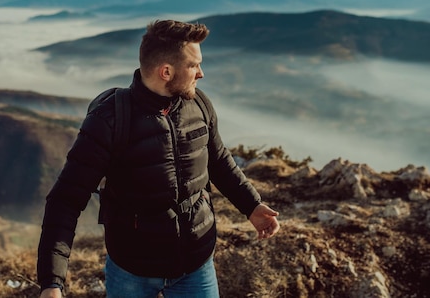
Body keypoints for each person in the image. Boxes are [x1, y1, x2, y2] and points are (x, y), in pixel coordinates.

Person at [37, 20, 280, 298]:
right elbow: (65, 200)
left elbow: (218, 161)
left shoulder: (199, 104)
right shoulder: (110, 120)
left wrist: (252, 205)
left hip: (196, 264)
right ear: (166, 71)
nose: (201, 73)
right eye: (194, 65)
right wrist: (52, 282)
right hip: (132, 270)